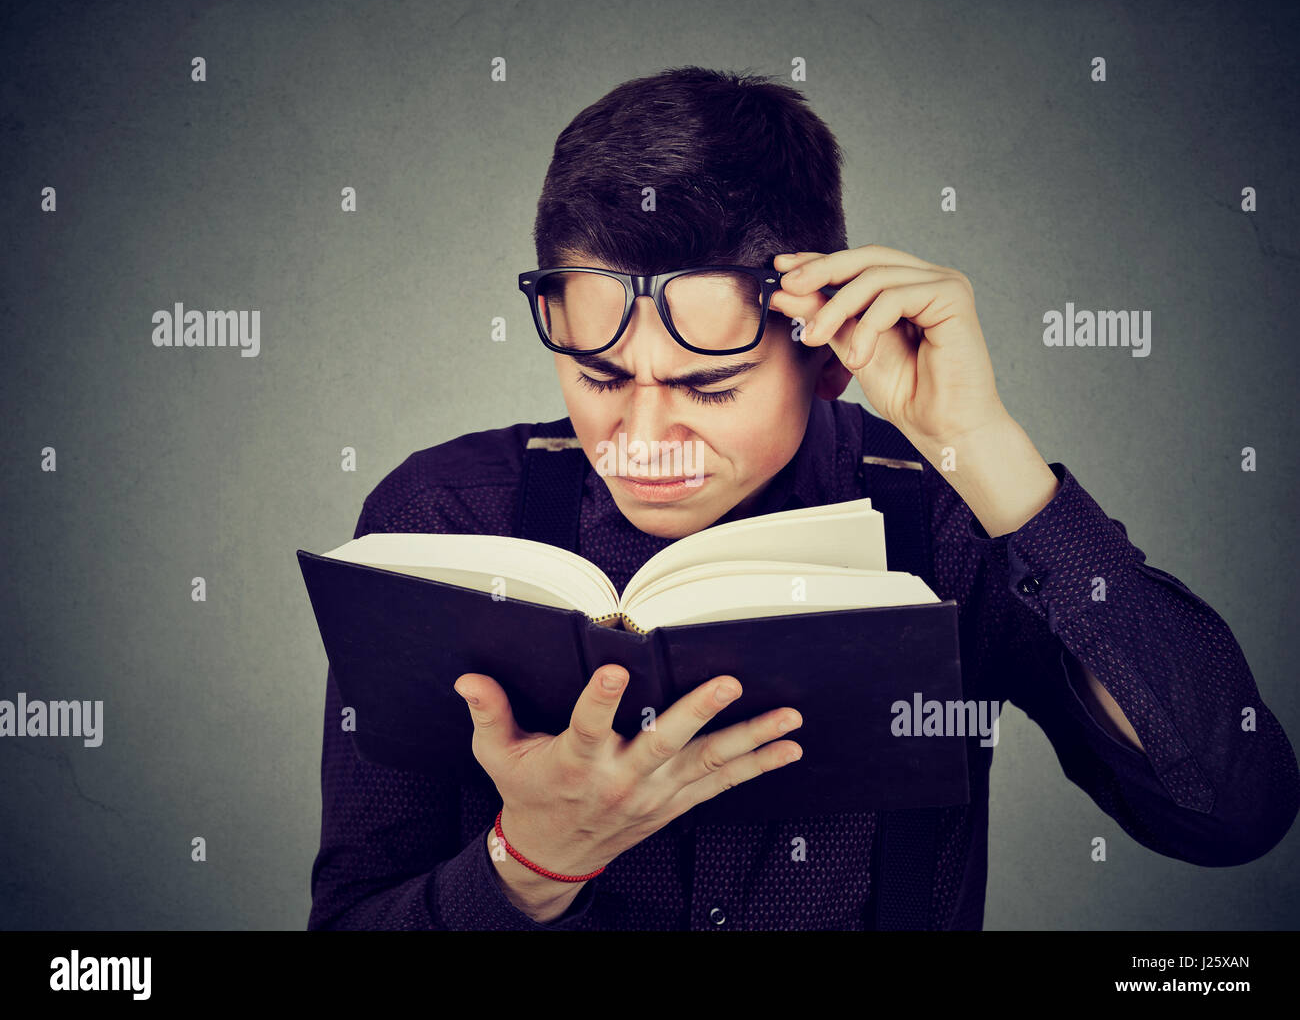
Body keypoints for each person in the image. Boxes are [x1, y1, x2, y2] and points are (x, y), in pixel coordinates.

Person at [307, 66, 1299, 931]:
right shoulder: (442, 519)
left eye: (707, 387)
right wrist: (527, 867)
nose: (643, 441)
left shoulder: (952, 521)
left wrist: (986, 449)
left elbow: (1229, 809)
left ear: (823, 355)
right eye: (601, 375)